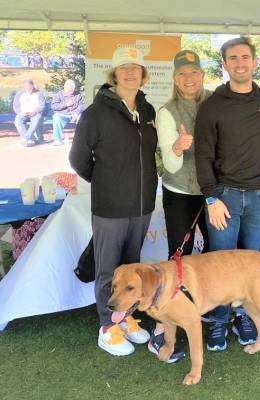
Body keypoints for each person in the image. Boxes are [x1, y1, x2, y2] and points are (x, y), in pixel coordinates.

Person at [69, 47, 157, 356]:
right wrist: (108, 183)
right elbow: (78, 158)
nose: (131, 73)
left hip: (142, 206)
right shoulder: (96, 112)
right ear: (114, 75)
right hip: (110, 207)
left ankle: (126, 318)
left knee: (131, 272)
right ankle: (108, 328)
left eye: (136, 68)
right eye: (124, 68)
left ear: (143, 75)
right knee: (109, 270)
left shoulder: (147, 111)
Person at [194, 37, 260, 351]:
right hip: (224, 198)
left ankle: (241, 313)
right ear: (225, 65)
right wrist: (211, 198)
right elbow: (202, 156)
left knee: (249, 266)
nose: (240, 63)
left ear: (254, 62)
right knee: (220, 267)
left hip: (259, 196)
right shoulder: (212, 106)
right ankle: (218, 320)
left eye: (245, 57)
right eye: (233, 58)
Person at [149, 50, 214, 362]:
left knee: (216, 253)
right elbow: (172, 167)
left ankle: (209, 313)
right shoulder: (168, 112)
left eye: (194, 72)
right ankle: (167, 321)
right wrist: (177, 146)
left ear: (202, 75)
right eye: (182, 74)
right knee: (179, 256)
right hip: (180, 192)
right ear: (174, 79)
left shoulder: (217, 101)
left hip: (214, 192)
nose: (189, 79)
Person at [50, 79, 85, 146]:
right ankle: (57, 139)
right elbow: (54, 106)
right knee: (56, 117)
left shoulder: (78, 94)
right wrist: (65, 104)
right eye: (69, 90)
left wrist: (76, 113)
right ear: (65, 87)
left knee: (83, 117)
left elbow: (82, 105)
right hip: (63, 114)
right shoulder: (58, 94)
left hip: (75, 114)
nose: (71, 92)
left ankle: (82, 139)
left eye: (72, 90)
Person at [13, 79, 46, 147]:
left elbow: (42, 106)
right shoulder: (19, 94)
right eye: (27, 88)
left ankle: (25, 138)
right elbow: (16, 106)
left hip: (35, 113)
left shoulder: (39, 94)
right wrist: (20, 112)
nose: (28, 90)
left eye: (30, 88)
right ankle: (30, 139)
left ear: (33, 86)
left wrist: (35, 111)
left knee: (36, 120)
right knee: (17, 121)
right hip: (23, 113)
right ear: (24, 87)